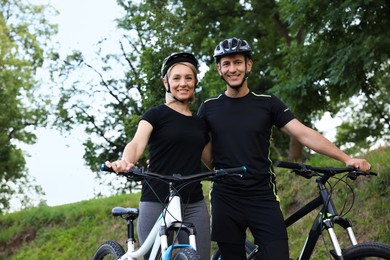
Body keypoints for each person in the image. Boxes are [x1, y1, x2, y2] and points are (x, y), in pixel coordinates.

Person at [197, 37, 372, 260]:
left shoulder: (267, 102)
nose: (233, 69)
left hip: (262, 195)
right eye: (227, 64)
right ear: (219, 69)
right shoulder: (209, 107)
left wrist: (345, 158)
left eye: (238, 62)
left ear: (248, 65)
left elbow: (303, 133)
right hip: (226, 199)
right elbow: (194, 142)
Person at [106, 52, 212, 259]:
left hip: (193, 202)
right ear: (166, 82)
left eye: (188, 78)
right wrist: (125, 162)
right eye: (177, 78)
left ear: (195, 81)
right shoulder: (155, 115)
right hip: (156, 199)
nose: (183, 83)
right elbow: (136, 144)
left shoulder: (200, 123)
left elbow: (213, 162)